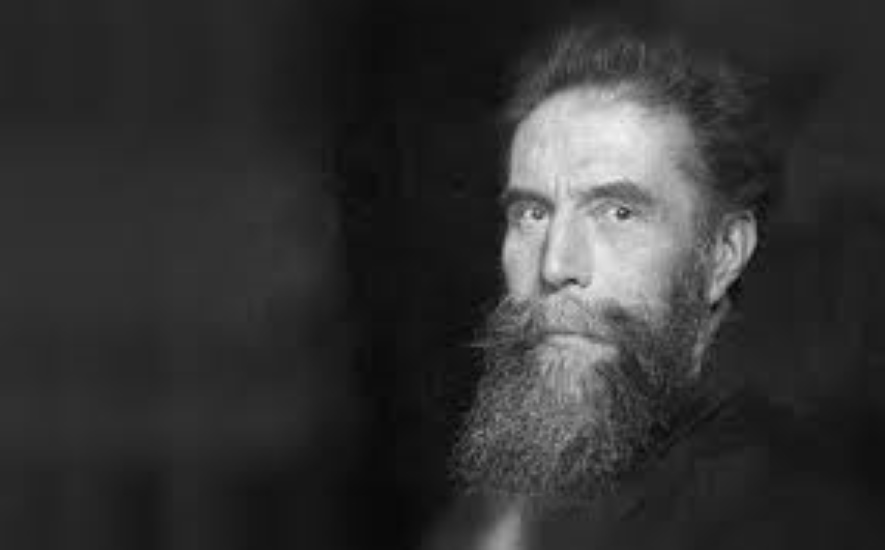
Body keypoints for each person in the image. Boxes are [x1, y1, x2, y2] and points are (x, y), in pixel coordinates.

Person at [428, 17, 879, 550]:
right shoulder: (506, 490)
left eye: (618, 212)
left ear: (723, 254)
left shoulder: (795, 516)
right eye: (533, 213)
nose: (555, 265)